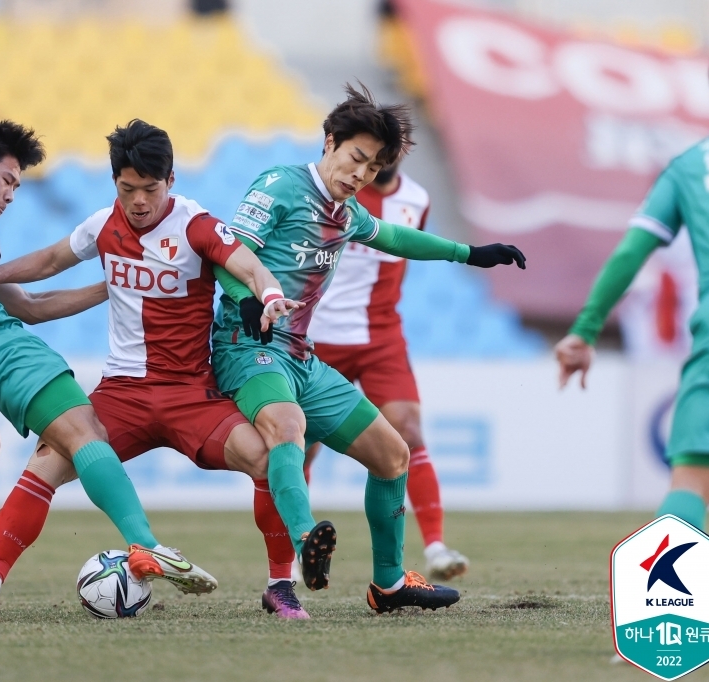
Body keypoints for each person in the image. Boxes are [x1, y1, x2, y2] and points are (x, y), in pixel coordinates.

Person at [0, 119, 312, 621]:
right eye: (127, 188)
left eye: (150, 189)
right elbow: (53, 259)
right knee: (46, 461)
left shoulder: (195, 224)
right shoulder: (103, 225)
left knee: (267, 461)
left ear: (171, 181)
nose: (139, 201)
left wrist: (270, 295)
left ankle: (279, 586)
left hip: (190, 393)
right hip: (123, 394)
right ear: (115, 183)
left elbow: (247, 265)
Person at [0, 117, 215, 621]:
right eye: (9, 180)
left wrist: (119, 285)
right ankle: (144, 545)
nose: (12, 194)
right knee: (82, 428)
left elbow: (31, 306)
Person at [211, 83, 526, 613]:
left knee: (392, 453)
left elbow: (399, 239)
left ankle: (389, 584)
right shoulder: (280, 185)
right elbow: (229, 251)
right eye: (355, 158)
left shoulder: (348, 213)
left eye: (373, 167)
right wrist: (246, 298)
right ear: (330, 142)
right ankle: (309, 540)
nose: (360, 175)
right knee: (288, 429)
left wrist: (469, 252)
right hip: (248, 345)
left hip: (301, 357)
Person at [555, 45, 709, 532]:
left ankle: (670, 598)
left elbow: (631, 251)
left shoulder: (690, 165)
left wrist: (585, 330)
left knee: (691, 482)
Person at [306, 160, 469, 581]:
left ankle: (435, 546)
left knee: (409, 434)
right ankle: (293, 555)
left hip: (381, 337)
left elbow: (407, 247)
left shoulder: (417, 198)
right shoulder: (339, 190)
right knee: (299, 443)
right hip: (319, 335)